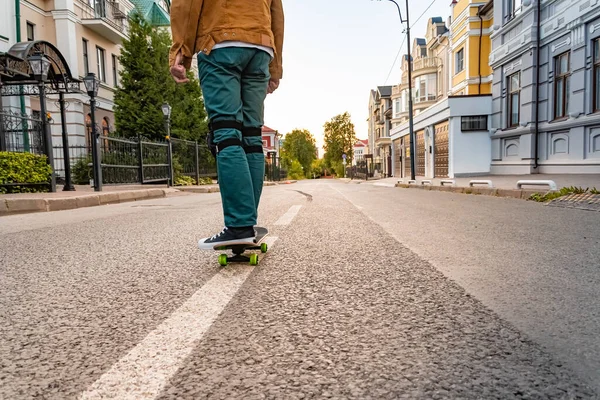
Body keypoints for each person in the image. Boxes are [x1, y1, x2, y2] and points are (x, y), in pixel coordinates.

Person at [169, 0, 284, 249]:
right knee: (252, 136)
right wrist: (275, 68)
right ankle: (246, 222)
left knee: (227, 133)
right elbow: (277, 14)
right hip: (261, 48)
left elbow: (186, 5)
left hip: (220, 43)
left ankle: (239, 226)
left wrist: (180, 50)